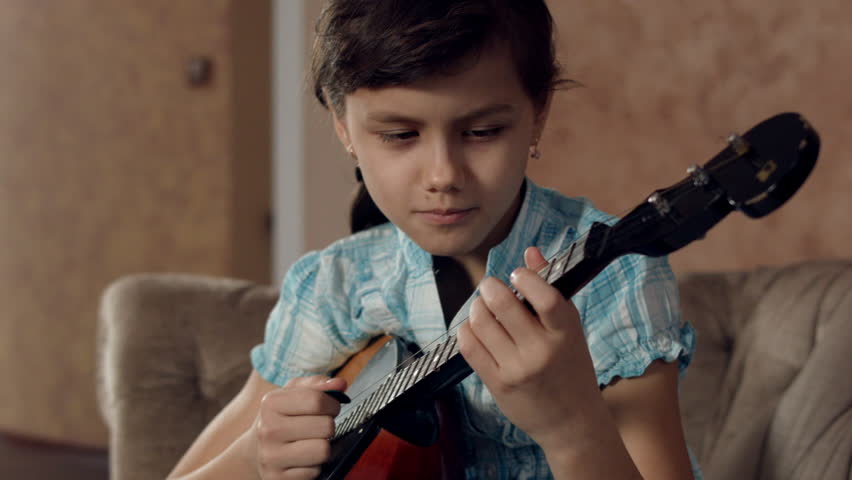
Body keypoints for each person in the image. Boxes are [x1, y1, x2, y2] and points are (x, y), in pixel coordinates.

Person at [168, 1, 701, 479]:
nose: (443, 174)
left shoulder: (617, 275)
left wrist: (570, 425)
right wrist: (252, 457)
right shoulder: (335, 287)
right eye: (400, 135)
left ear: (538, 113)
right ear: (343, 127)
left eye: (482, 131)